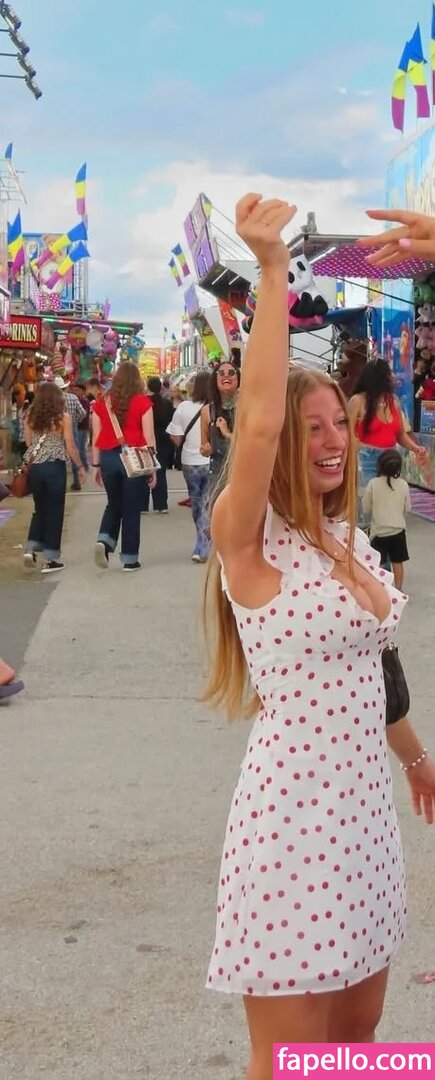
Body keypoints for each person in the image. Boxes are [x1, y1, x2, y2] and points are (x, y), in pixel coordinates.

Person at [202, 194, 435, 1075]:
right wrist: (271, 272)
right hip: (292, 823)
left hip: (364, 815)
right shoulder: (249, 541)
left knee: (360, 1040)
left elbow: (378, 670)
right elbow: (260, 417)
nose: (332, 440)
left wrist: (415, 760)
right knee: (290, 1058)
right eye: (313, 429)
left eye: (339, 421)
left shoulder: (346, 540)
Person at [92, 362, 155, 571]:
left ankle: (104, 539)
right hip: (134, 458)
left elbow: (95, 438)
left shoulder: (101, 403)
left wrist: (96, 465)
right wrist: (152, 469)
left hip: (108, 458)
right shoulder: (143, 403)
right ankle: (129, 559)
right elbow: (149, 438)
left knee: (113, 503)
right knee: (131, 509)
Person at [348, 359, 426, 528]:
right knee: (367, 508)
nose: (392, 377)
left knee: (388, 505)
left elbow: (400, 434)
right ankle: (365, 538)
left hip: (390, 459)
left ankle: (385, 539)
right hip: (366, 460)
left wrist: (415, 448)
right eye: (388, 374)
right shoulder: (358, 401)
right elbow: (346, 433)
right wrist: (357, 450)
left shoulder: (393, 401)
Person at [23, 382, 85, 574]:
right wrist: (80, 467)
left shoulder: (30, 416)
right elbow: (70, 445)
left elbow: (28, 442)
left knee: (40, 509)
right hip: (54, 467)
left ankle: (31, 547)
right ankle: (49, 560)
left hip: (35, 468)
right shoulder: (62, 417)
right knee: (55, 512)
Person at [166, 370, 210, 562]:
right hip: (211, 460)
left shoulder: (183, 407)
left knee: (197, 502)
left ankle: (201, 542)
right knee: (209, 502)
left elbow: (175, 436)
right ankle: (204, 543)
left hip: (190, 461)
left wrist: (186, 442)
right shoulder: (215, 407)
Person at [362, 449, 410, 591]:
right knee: (397, 562)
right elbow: (408, 508)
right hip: (398, 531)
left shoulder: (373, 483)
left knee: (379, 562)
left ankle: (382, 590)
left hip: (379, 532)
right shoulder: (403, 484)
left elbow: (366, 507)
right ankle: (398, 589)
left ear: (380, 466)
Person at [200, 360, 240, 488]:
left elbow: (250, 442)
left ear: (238, 379)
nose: (226, 375)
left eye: (231, 373)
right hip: (217, 478)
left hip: (243, 474)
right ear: (215, 380)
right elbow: (204, 447)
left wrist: (227, 433)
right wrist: (206, 450)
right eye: (221, 373)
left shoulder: (246, 408)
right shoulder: (207, 411)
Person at [141, 377, 174, 514]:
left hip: (145, 440)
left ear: (147, 386)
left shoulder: (143, 402)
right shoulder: (167, 403)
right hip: (163, 441)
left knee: (144, 471)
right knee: (160, 472)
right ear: (161, 387)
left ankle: (142, 505)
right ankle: (161, 504)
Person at [53, 376, 87, 492]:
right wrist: (75, 420)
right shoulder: (73, 397)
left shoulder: (53, 400)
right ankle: (76, 481)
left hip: (57, 430)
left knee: (59, 455)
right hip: (73, 428)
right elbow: (83, 412)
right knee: (73, 452)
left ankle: (60, 483)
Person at [71, 381, 91, 474]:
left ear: (83, 391)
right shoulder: (78, 400)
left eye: (77, 390)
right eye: (74, 390)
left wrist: (75, 420)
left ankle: (85, 466)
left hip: (82, 428)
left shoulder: (84, 401)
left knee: (81, 449)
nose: (75, 392)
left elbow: (84, 414)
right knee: (79, 448)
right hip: (78, 427)